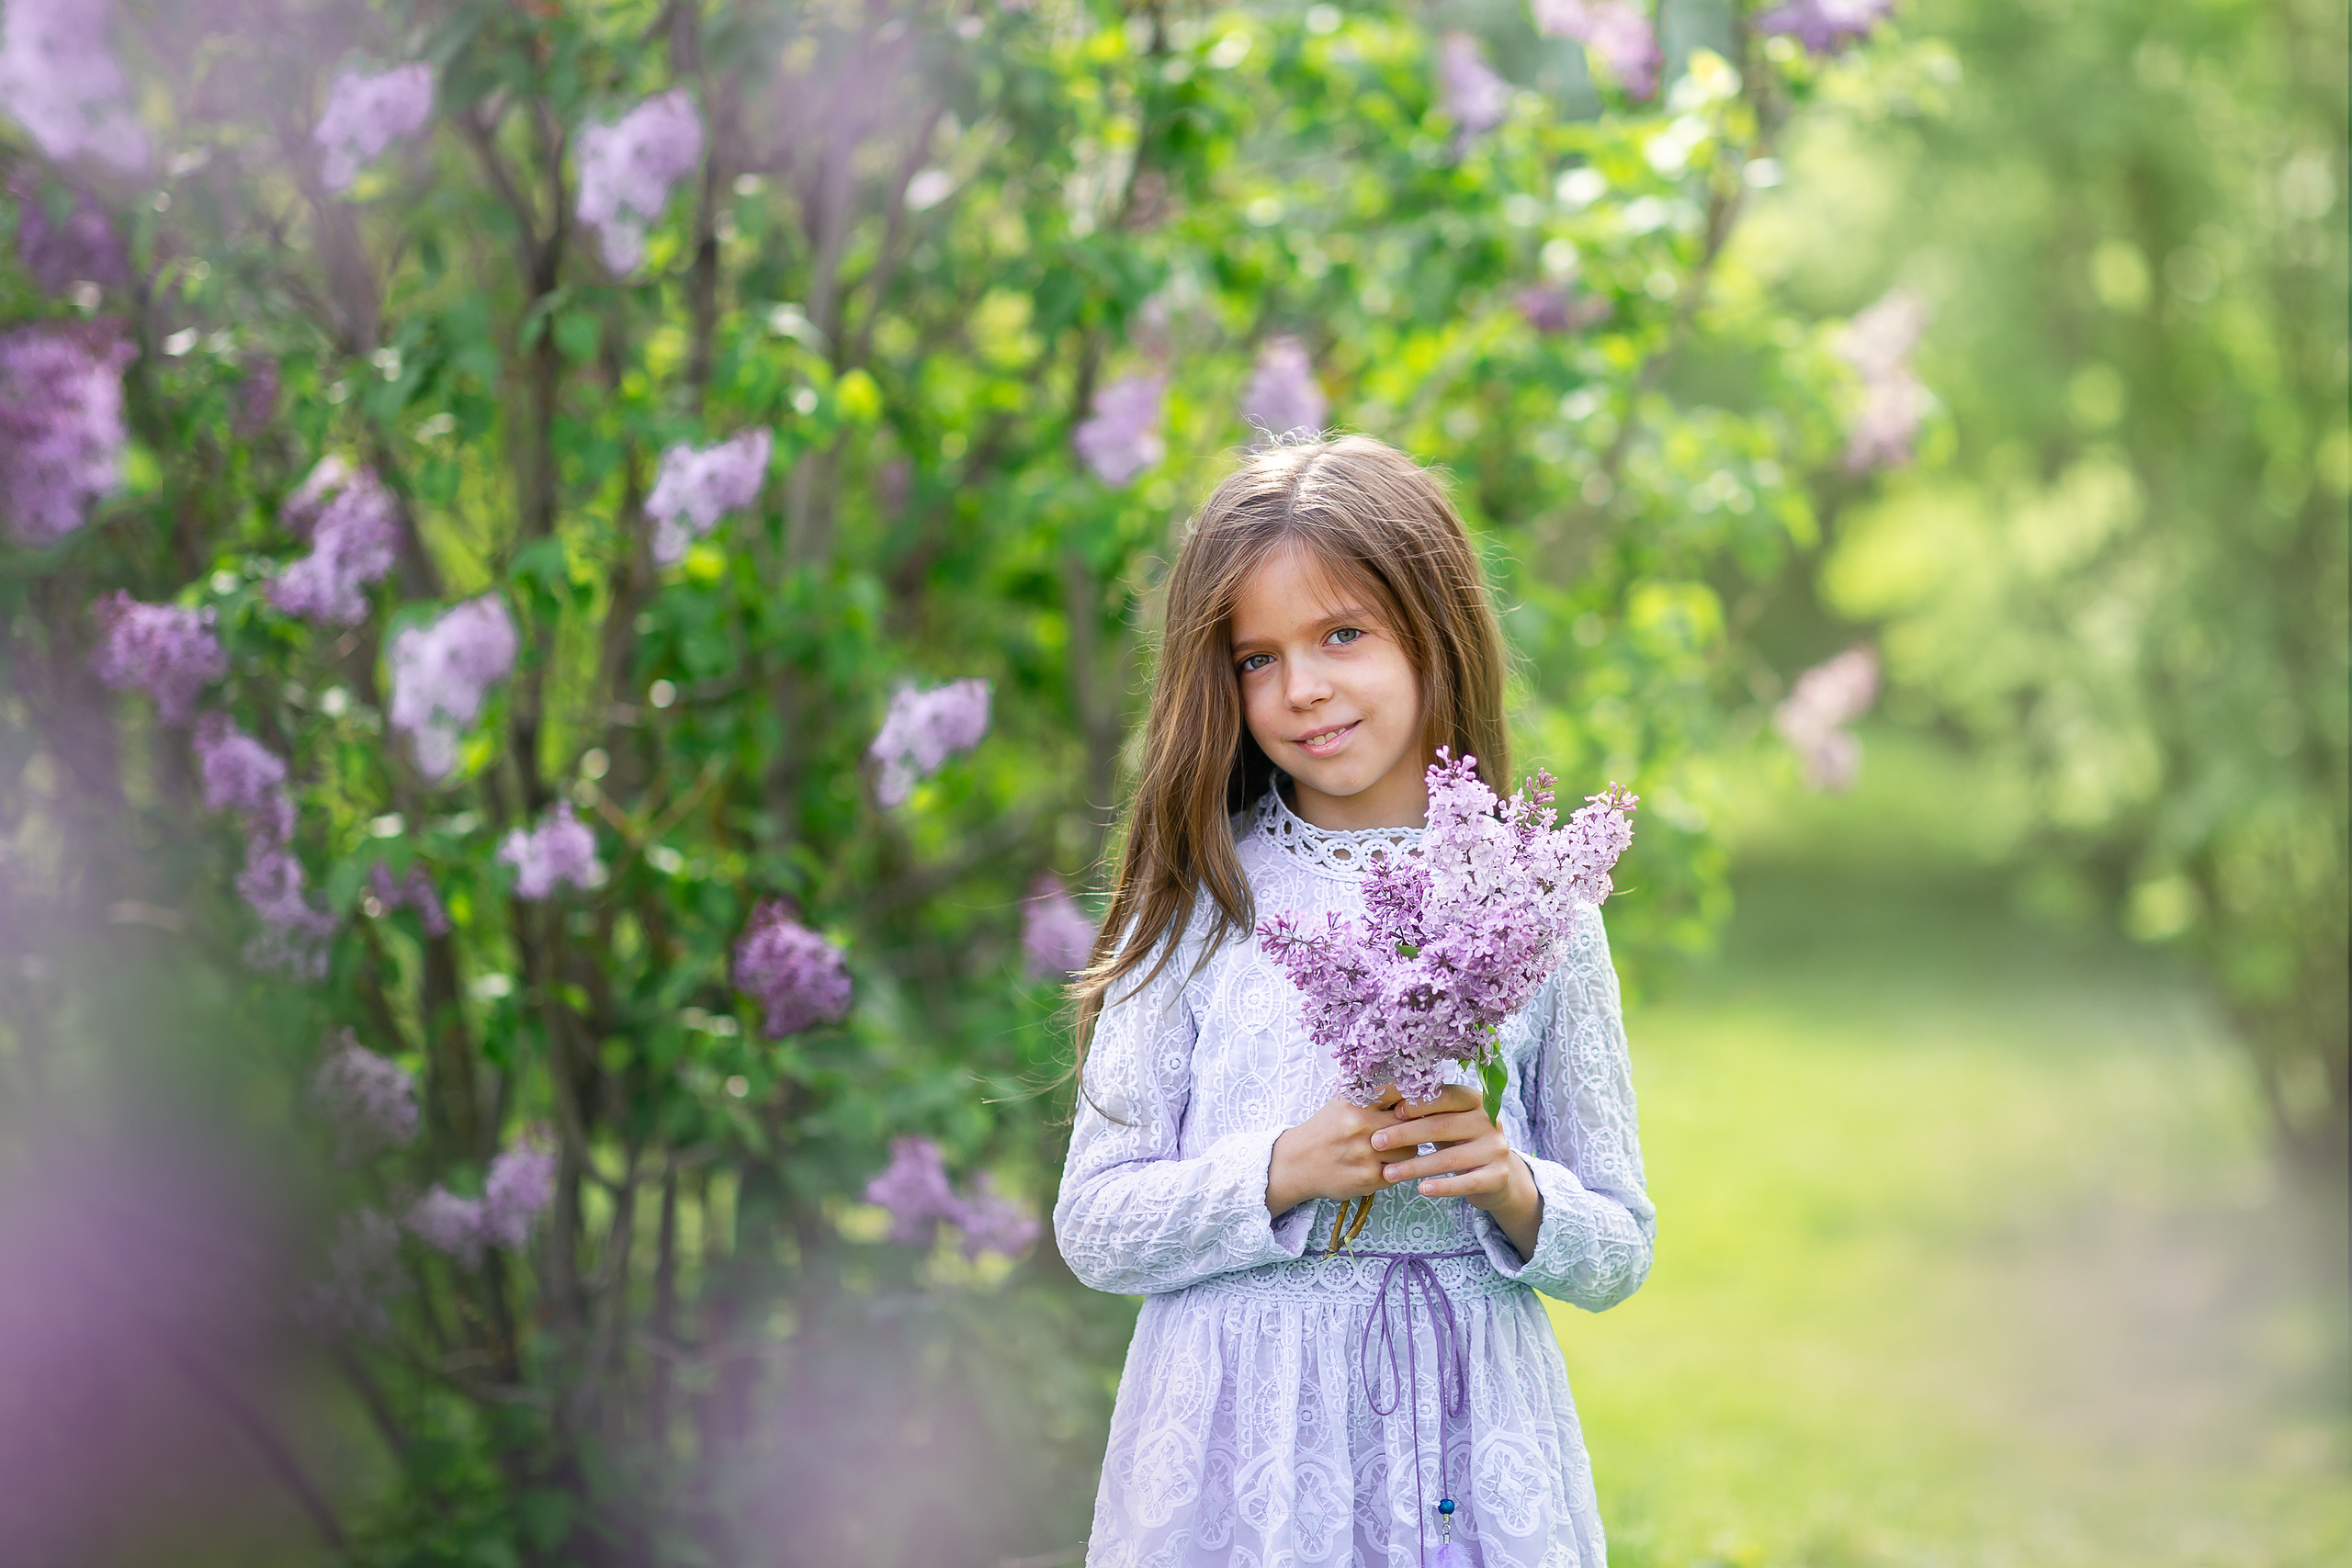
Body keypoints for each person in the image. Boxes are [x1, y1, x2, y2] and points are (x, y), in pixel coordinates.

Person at [1056, 434, 1656, 1567]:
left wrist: (1514, 1187)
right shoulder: (1201, 898)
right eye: (1255, 659)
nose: (1303, 689)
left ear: (1435, 631)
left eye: (1343, 635)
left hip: (1468, 1436)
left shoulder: (1541, 906)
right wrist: (1283, 1172)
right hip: (1240, 1454)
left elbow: (1620, 1242)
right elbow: (1095, 1224)